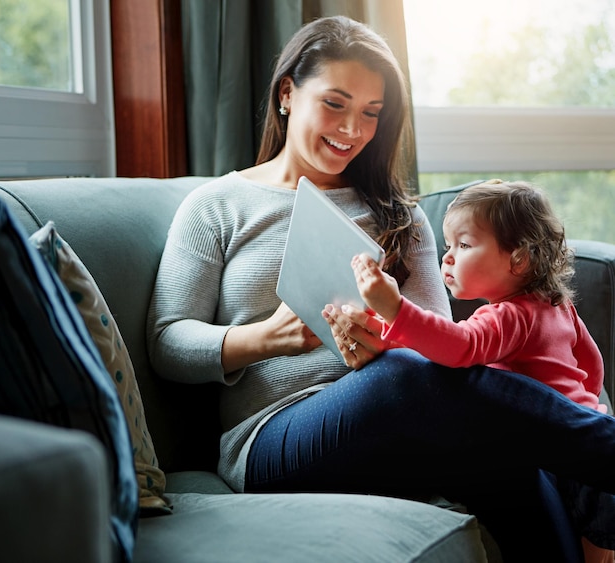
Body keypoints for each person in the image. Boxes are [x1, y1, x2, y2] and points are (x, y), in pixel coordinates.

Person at [147, 15, 615, 562]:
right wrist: (265, 338)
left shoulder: (401, 217)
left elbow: (444, 353)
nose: (353, 130)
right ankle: (602, 449)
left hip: (405, 420)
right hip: (275, 441)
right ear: (286, 93)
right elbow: (166, 341)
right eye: (336, 104)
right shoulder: (217, 206)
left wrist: (376, 341)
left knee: (503, 456)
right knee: (408, 378)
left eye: (372, 114)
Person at [349, 178, 614, 562]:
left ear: (519, 258)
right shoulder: (558, 305)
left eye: (464, 244)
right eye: (448, 245)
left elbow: (459, 347)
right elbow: (591, 366)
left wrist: (396, 309)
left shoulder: (507, 316)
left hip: (565, 462)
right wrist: (587, 406)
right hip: (585, 435)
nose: (448, 257)